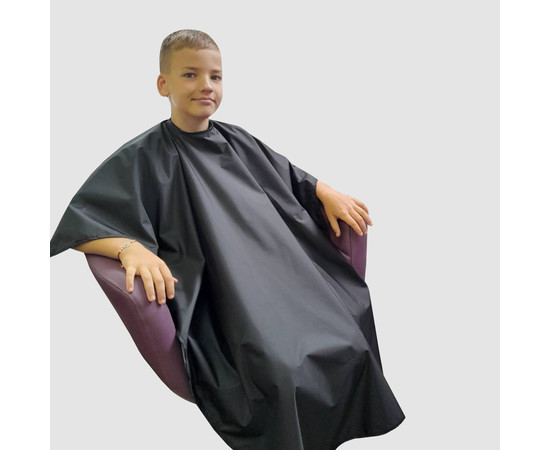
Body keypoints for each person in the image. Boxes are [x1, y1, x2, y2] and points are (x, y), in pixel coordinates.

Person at [50, 29, 405, 450]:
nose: (206, 85)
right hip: (224, 294)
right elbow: (82, 221)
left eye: (215, 77)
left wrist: (324, 190)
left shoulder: (236, 139)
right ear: (163, 84)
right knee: (280, 370)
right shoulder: (143, 156)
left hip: (283, 276)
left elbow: (290, 178)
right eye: (190, 75)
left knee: (348, 341)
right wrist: (128, 248)